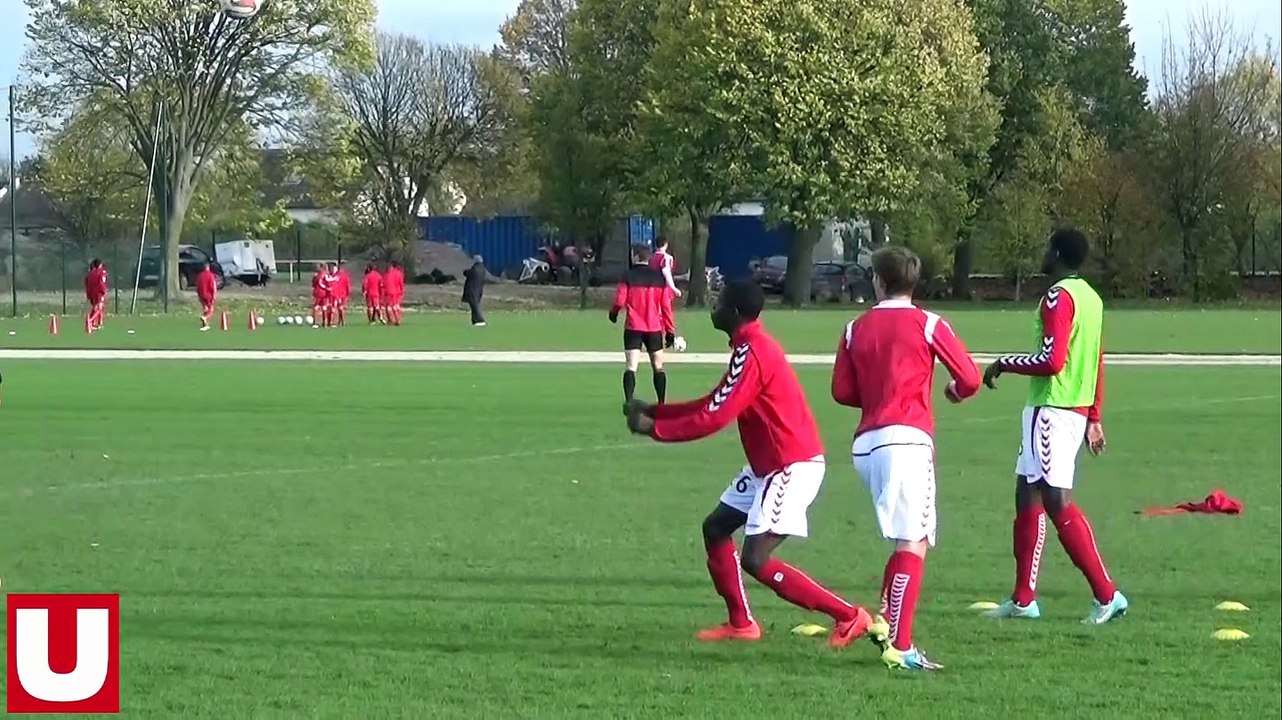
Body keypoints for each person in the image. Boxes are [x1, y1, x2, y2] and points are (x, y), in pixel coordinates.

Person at [625, 279, 882, 646]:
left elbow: (715, 417)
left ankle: (849, 615)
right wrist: (657, 412)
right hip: (768, 466)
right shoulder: (748, 347)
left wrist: (655, 430)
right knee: (716, 528)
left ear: (732, 313)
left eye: (718, 302)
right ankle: (741, 623)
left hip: (789, 465)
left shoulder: (753, 353)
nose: (712, 306)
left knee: (757, 558)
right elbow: (714, 401)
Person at [830, 246, 981, 671]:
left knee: (906, 538)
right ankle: (901, 645)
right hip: (908, 440)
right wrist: (952, 392)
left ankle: (889, 626)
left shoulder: (854, 328)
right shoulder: (929, 323)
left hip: (867, 444)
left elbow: (841, 391)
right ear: (913, 282)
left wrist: (875, 394)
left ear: (878, 281)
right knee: (913, 540)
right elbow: (969, 376)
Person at [980, 228, 1126, 625]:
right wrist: (1093, 416)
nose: (1043, 254)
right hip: (1071, 410)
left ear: (1057, 253)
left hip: (1052, 408)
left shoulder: (1058, 297)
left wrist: (1002, 363)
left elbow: (1052, 361)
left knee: (1055, 501)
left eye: (1048, 247)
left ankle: (1106, 593)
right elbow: (1096, 360)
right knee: (1026, 495)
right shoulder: (1092, 299)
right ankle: (1024, 599)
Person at [610, 245, 676, 404]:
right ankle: (661, 402)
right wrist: (670, 331)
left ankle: (629, 400)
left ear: (635, 256)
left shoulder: (628, 276)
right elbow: (666, 307)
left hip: (633, 327)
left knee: (631, 366)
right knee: (658, 366)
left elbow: (620, 300)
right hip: (654, 328)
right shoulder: (659, 278)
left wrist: (614, 313)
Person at [462, 255, 487, 327]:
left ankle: (480, 320)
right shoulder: (482, 269)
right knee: (474, 305)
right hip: (479, 289)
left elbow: (468, 273)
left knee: (474, 305)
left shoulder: (475, 269)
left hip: (473, 289)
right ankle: (475, 321)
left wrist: (466, 271)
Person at [84, 259, 108, 331]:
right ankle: (90, 321)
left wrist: (88, 292)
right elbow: (102, 282)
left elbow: (86, 283)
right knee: (99, 307)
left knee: (97, 307)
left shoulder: (90, 273)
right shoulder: (101, 272)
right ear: (100, 265)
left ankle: (99, 323)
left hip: (91, 292)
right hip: (99, 292)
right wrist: (104, 290)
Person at [196, 263, 218, 331]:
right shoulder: (210, 275)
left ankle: (205, 324)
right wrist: (214, 295)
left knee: (205, 309)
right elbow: (213, 286)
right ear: (208, 267)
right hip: (209, 295)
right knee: (211, 310)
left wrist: (199, 295)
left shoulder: (199, 276)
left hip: (201, 295)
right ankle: (204, 317)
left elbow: (197, 286)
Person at [384, 261, 405, 326]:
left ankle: (391, 320)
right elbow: (401, 283)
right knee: (396, 306)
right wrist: (401, 291)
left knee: (389, 306)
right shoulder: (399, 273)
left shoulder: (388, 274)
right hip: (397, 292)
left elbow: (385, 283)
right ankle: (398, 319)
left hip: (389, 291)